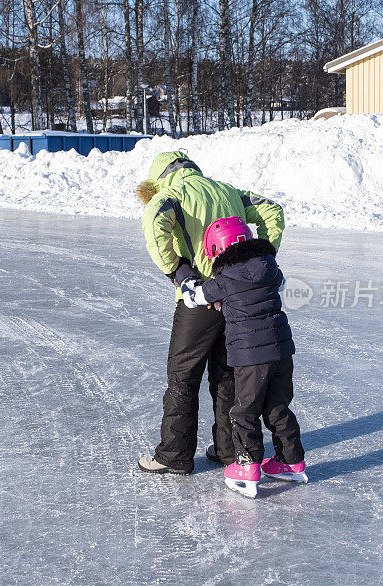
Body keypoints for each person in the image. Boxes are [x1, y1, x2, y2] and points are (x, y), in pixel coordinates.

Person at [136, 151, 285, 475]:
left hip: (200, 299)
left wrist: (175, 269)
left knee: (182, 376)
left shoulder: (171, 195)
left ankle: (174, 455)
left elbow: (153, 219)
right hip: (235, 299)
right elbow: (272, 211)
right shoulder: (227, 190)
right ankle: (228, 450)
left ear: (160, 176)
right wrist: (259, 256)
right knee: (226, 375)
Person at [181, 217, 307, 498]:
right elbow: (279, 283)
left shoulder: (225, 279)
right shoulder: (269, 267)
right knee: (278, 408)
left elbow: (195, 297)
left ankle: (248, 466)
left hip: (250, 356)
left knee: (244, 411)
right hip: (282, 351)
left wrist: (186, 279)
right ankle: (292, 461)